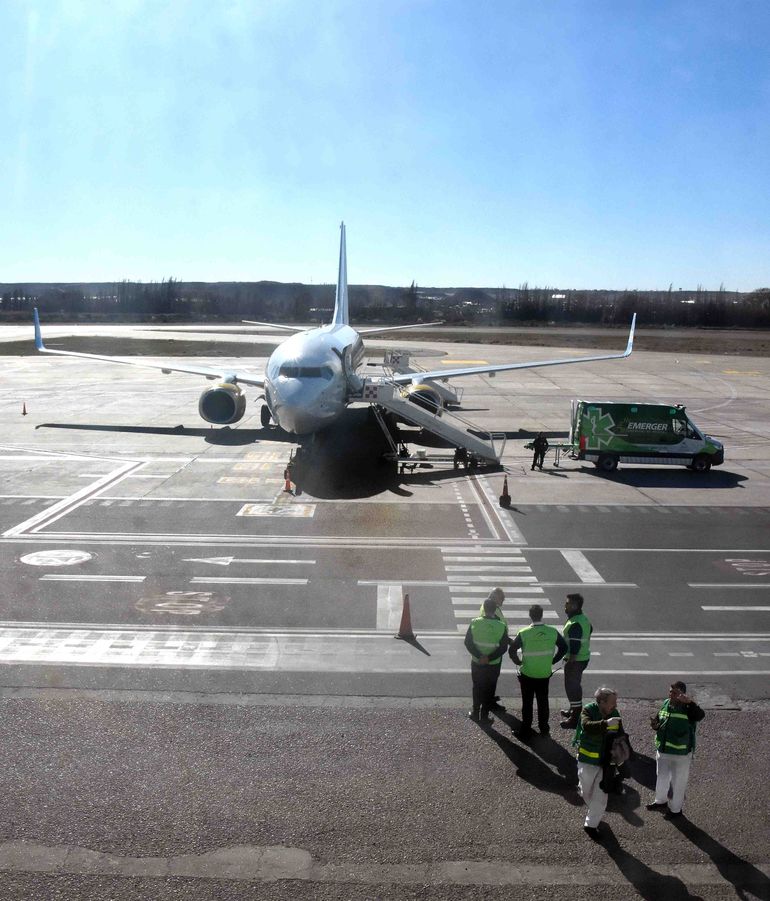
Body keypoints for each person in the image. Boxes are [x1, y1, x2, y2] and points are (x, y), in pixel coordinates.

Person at [646, 681, 705, 818]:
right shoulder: (666, 703)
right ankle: (660, 801)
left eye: (675, 692)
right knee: (661, 777)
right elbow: (660, 719)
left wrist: (690, 703)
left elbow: (700, 716)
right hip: (663, 749)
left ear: (682, 694)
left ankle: (675, 810)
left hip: (681, 753)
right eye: (670, 691)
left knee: (679, 782)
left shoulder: (689, 707)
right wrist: (655, 725)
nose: (671, 694)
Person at [509, 604, 567, 738]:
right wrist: (553, 660)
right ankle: (544, 728)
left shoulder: (524, 633)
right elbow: (563, 647)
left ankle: (526, 729)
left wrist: (518, 661)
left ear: (530, 616)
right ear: (542, 615)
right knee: (543, 701)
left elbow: (512, 650)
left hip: (527, 673)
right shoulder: (552, 631)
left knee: (527, 703)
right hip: (544, 673)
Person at [574, 687, 623, 839]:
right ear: (601, 702)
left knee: (601, 796)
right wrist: (605, 724)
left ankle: (591, 825)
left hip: (606, 763)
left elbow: (621, 737)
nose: (615, 706)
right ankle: (591, 806)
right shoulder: (588, 710)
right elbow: (587, 727)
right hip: (587, 761)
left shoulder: (615, 714)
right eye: (612, 703)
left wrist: (621, 758)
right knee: (585, 791)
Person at [464, 596, 509, 725]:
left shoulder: (474, 622)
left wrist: (480, 656)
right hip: (493, 664)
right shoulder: (501, 626)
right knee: (490, 688)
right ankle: (484, 715)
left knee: (477, 687)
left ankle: (475, 712)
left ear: (484, 608)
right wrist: (489, 658)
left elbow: (468, 642)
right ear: (495, 610)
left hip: (477, 663)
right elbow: (503, 647)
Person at [560, 593, 593, 730]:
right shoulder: (582, 618)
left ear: (574, 605)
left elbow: (575, 645)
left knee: (572, 688)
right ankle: (573, 710)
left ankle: (575, 718)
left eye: (567, 603)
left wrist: (570, 660)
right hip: (583, 658)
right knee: (575, 686)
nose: (565, 605)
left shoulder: (575, 623)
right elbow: (590, 629)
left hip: (576, 661)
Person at [477, 587, 507, 712]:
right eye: (501, 600)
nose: (502, 603)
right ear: (496, 599)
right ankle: (488, 703)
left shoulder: (487, 606)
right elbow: (498, 628)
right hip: (493, 648)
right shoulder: (492, 610)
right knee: (491, 678)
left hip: (486, 647)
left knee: (487, 679)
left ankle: (487, 700)